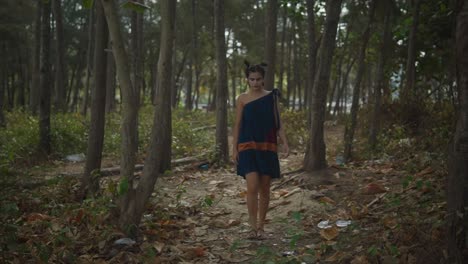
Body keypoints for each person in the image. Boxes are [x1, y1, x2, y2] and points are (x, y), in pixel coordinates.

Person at [232, 60, 289, 240]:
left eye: (258, 79)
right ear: (247, 80)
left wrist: (285, 142)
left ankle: (261, 227)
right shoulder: (242, 99)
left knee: (265, 188)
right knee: (252, 186)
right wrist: (234, 148)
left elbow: (277, 123)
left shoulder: (271, 97)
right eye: (252, 79)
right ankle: (251, 227)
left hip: (267, 146)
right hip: (247, 146)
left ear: (263, 80)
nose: (255, 82)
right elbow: (238, 124)